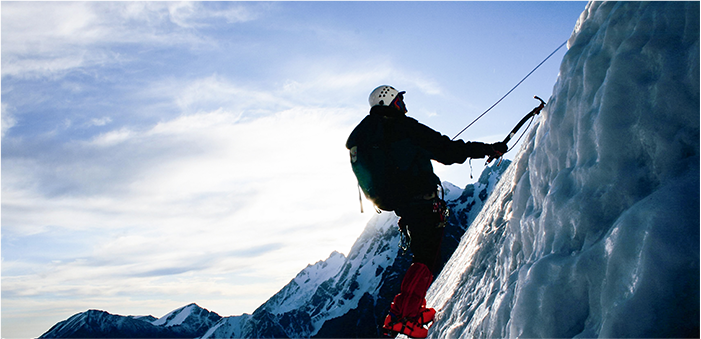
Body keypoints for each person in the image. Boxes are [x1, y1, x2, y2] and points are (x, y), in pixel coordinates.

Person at [346, 85, 507, 338]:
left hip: (403, 204)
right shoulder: (403, 127)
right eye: (399, 100)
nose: (404, 105)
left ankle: (404, 311)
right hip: (422, 200)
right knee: (426, 259)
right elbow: (448, 150)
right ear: (390, 103)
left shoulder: (369, 134)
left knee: (421, 256)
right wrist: (487, 148)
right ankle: (406, 317)